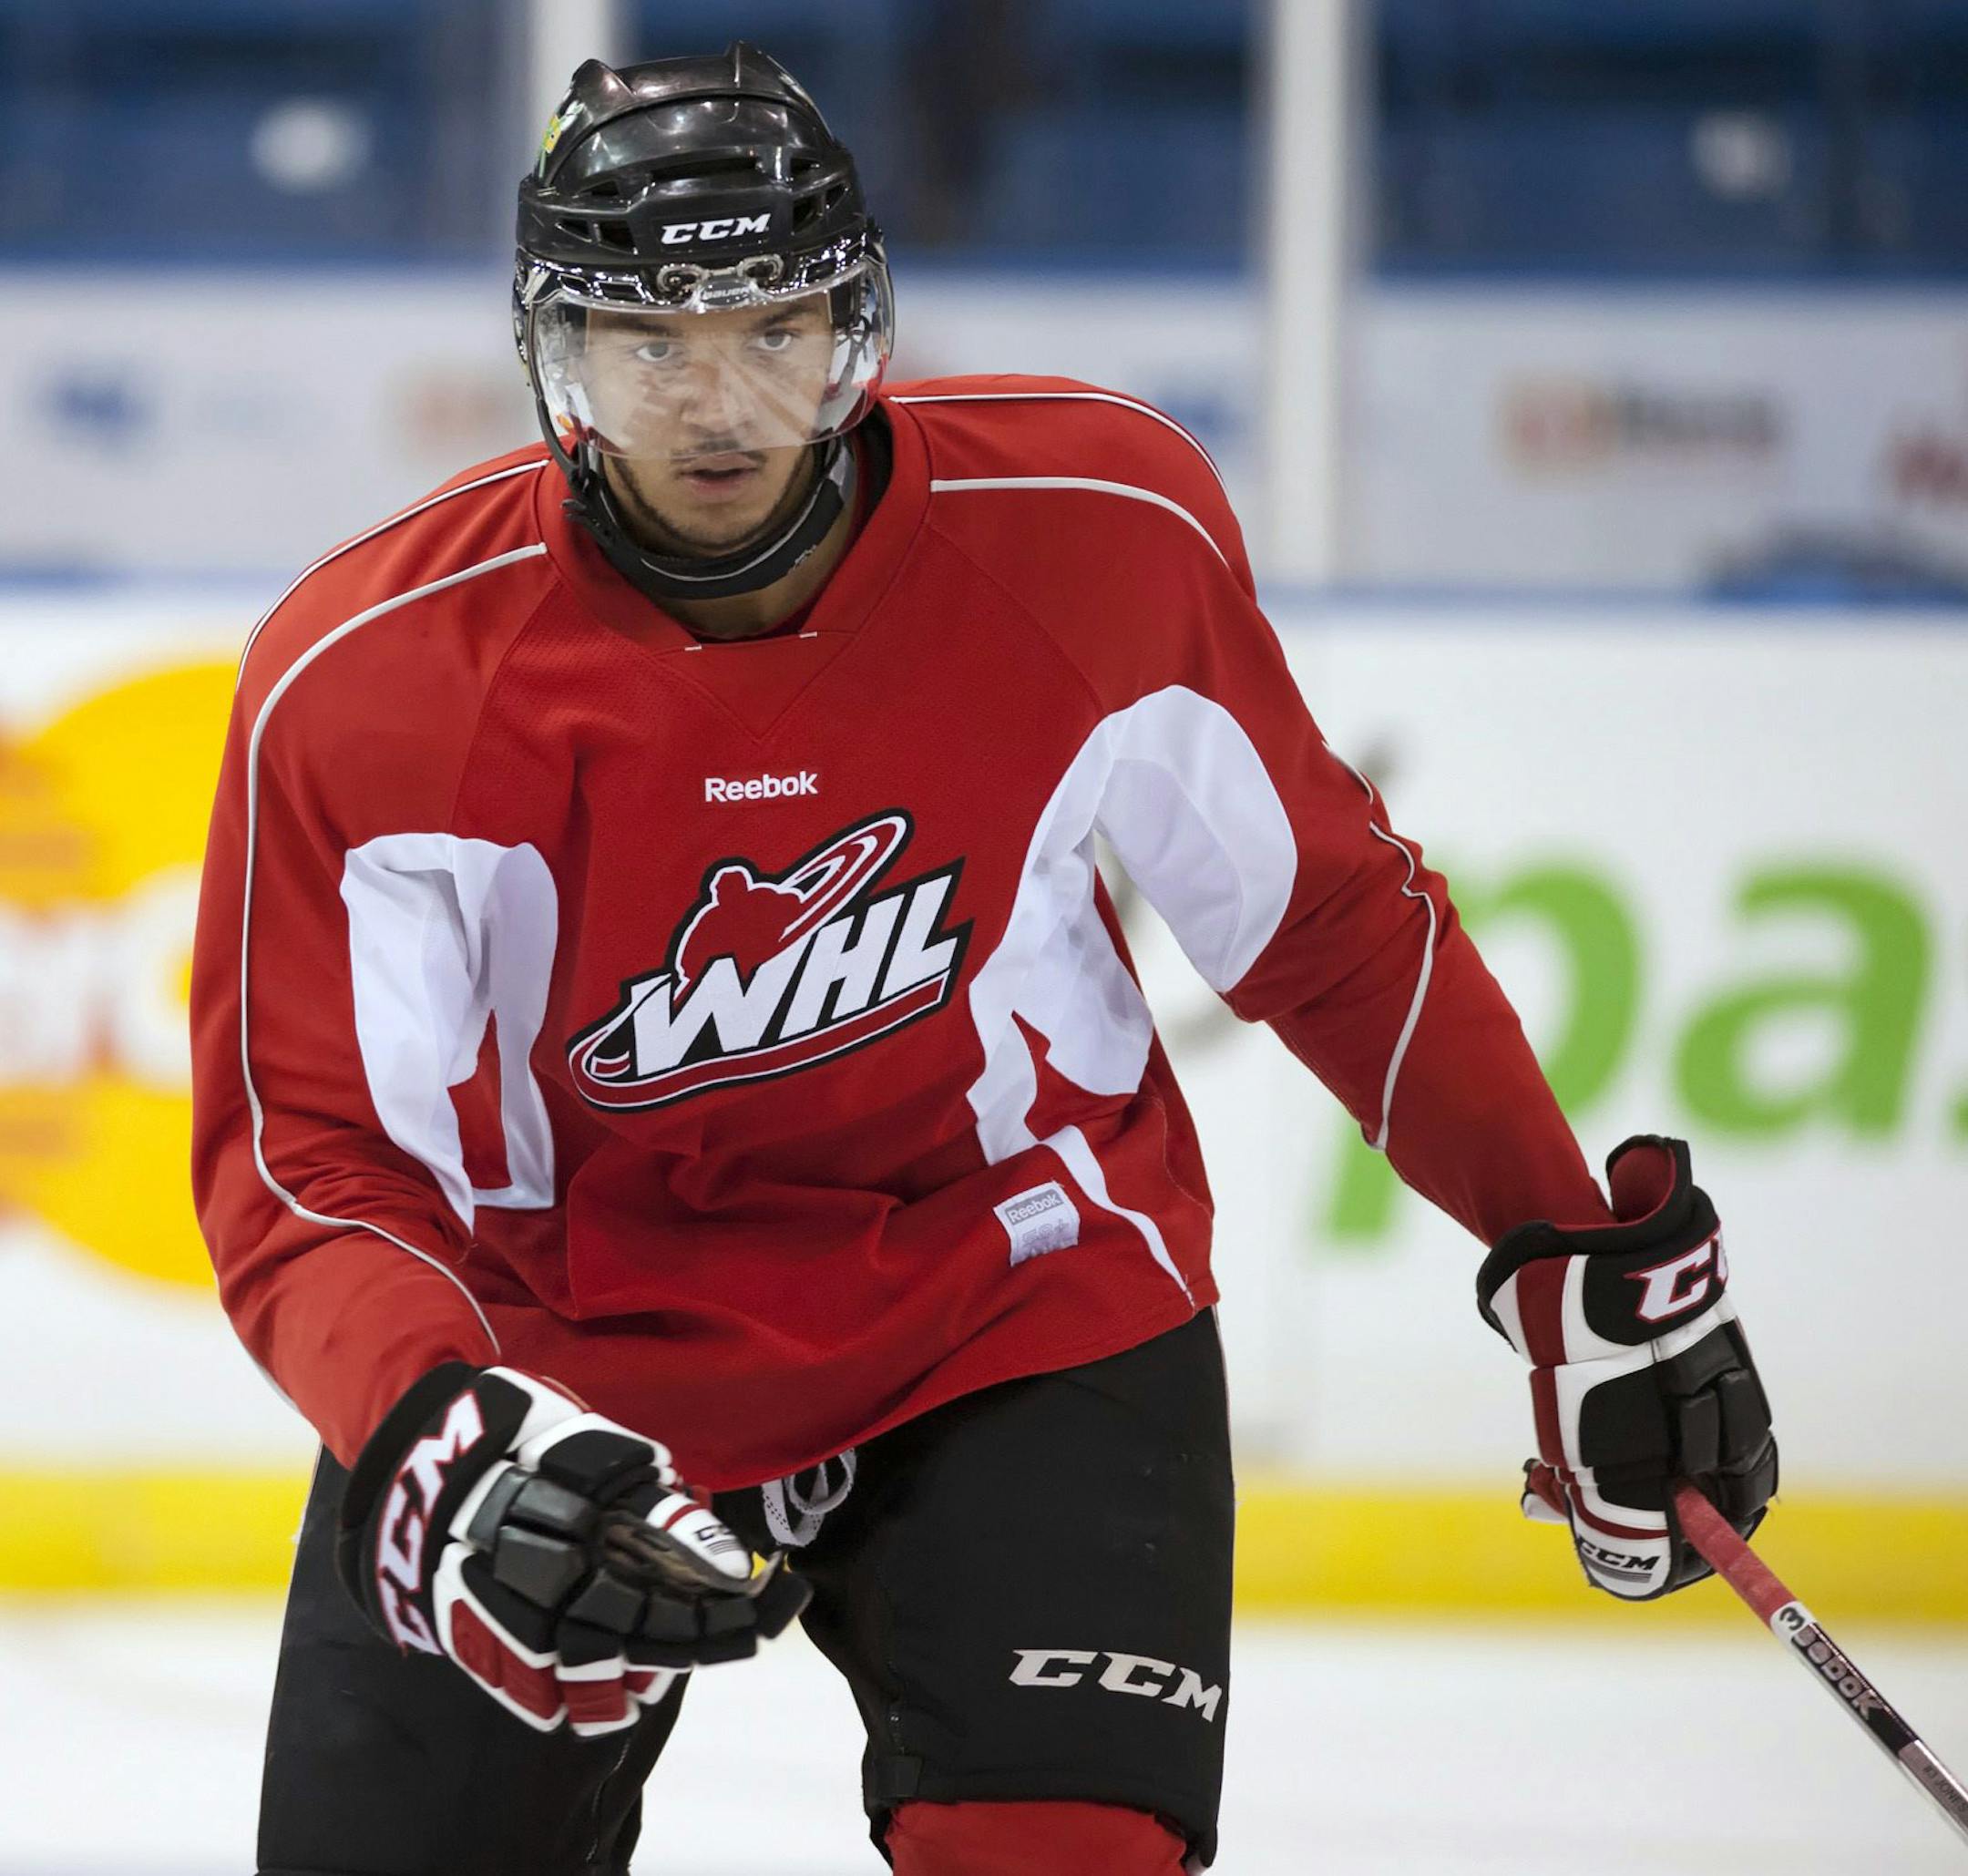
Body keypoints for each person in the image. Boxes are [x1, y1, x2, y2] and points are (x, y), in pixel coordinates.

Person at [189, 45, 1778, 1876]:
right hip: (564, 1360)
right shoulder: (370, 682)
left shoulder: (1094, 531)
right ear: (558, 355)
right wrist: (441, 1441)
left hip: (1012, 1294)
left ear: (854, 325)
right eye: (650, 343)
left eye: (774, 329)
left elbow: (1324, 917)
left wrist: (1560, 1237)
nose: (719, 402)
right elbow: (315, 1166)